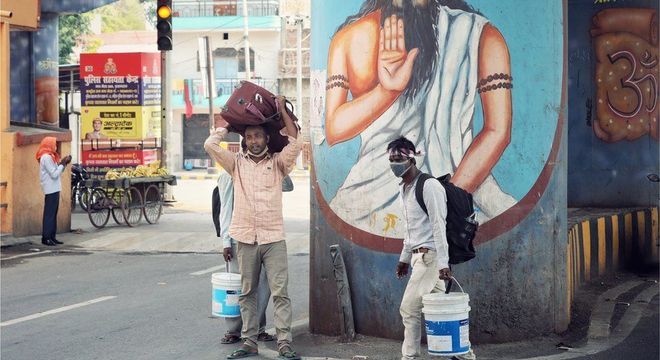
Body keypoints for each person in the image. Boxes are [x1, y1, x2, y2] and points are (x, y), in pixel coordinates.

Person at [325, 0, 516, 237]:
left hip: (460, 201)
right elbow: (333, 130)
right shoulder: (349, 39)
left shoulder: (480, 36)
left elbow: (498, 131)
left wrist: (446, 203)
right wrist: (387, 91)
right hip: (364, 212)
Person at [204, 95, 302, 360]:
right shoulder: (235, 164)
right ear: (244, 141)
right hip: (245, 238)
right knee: (246, 293)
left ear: (266, 138)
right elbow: (209, 144)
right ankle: (249, 341)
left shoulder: (279, 163)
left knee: (280, 293)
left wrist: (281, 110)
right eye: (249, 137)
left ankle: (284, 342)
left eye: (258, 136)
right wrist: (230, 122)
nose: (254, 141)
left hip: (273, 238)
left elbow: (297, 142)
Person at [388, 136, 475, 360]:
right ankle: (465, 355)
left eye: (398, 158)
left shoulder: (429, 186)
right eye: (391, 159)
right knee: (442, 311)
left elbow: (439, 225)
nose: (394, 163)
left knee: (409, 309)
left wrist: (443, 263)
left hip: (431, 257)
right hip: (419, 258)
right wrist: (404, 259)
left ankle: (410, 357)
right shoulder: (405, 188)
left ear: (412, 160)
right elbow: (411, 229)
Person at [212, 170, 275, 345]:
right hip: (237, 239)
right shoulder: (229, 173)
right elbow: (226, 207)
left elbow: (287, 186)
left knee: (263, 285)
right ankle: (233, 330)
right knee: (237, 286)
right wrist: (226, 241)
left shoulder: (264, 169)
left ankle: (258, 328)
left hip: (263, 237)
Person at [36, 137, 72, 246]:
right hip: (50, 188)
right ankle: (46, 237)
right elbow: (54, 174)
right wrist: (62, 163)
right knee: (49, 214)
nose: (56, 146)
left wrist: (64, 163)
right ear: (48, 145)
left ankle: (52, 236)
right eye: (54, 144)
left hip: (55, 188)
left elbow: (57, 171)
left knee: (53, 214)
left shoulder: (51, 156)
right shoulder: (46, 157)